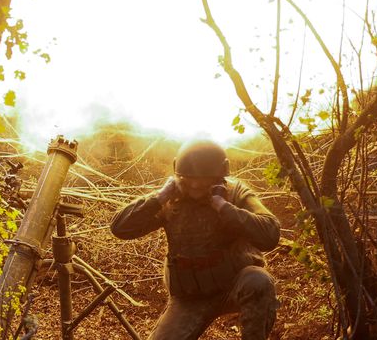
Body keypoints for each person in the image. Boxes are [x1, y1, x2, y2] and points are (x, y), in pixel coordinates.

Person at [110, 139, 281, 340]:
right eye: (189, 177)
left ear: (220, 176)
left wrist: (225, 207)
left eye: (205, 178)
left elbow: (270, 234)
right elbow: (120, 228)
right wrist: (158, 197)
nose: (196, 184)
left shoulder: (235, 194)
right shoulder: (170, 200)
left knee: (258, 280)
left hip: (234, 284)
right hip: (190, 297)